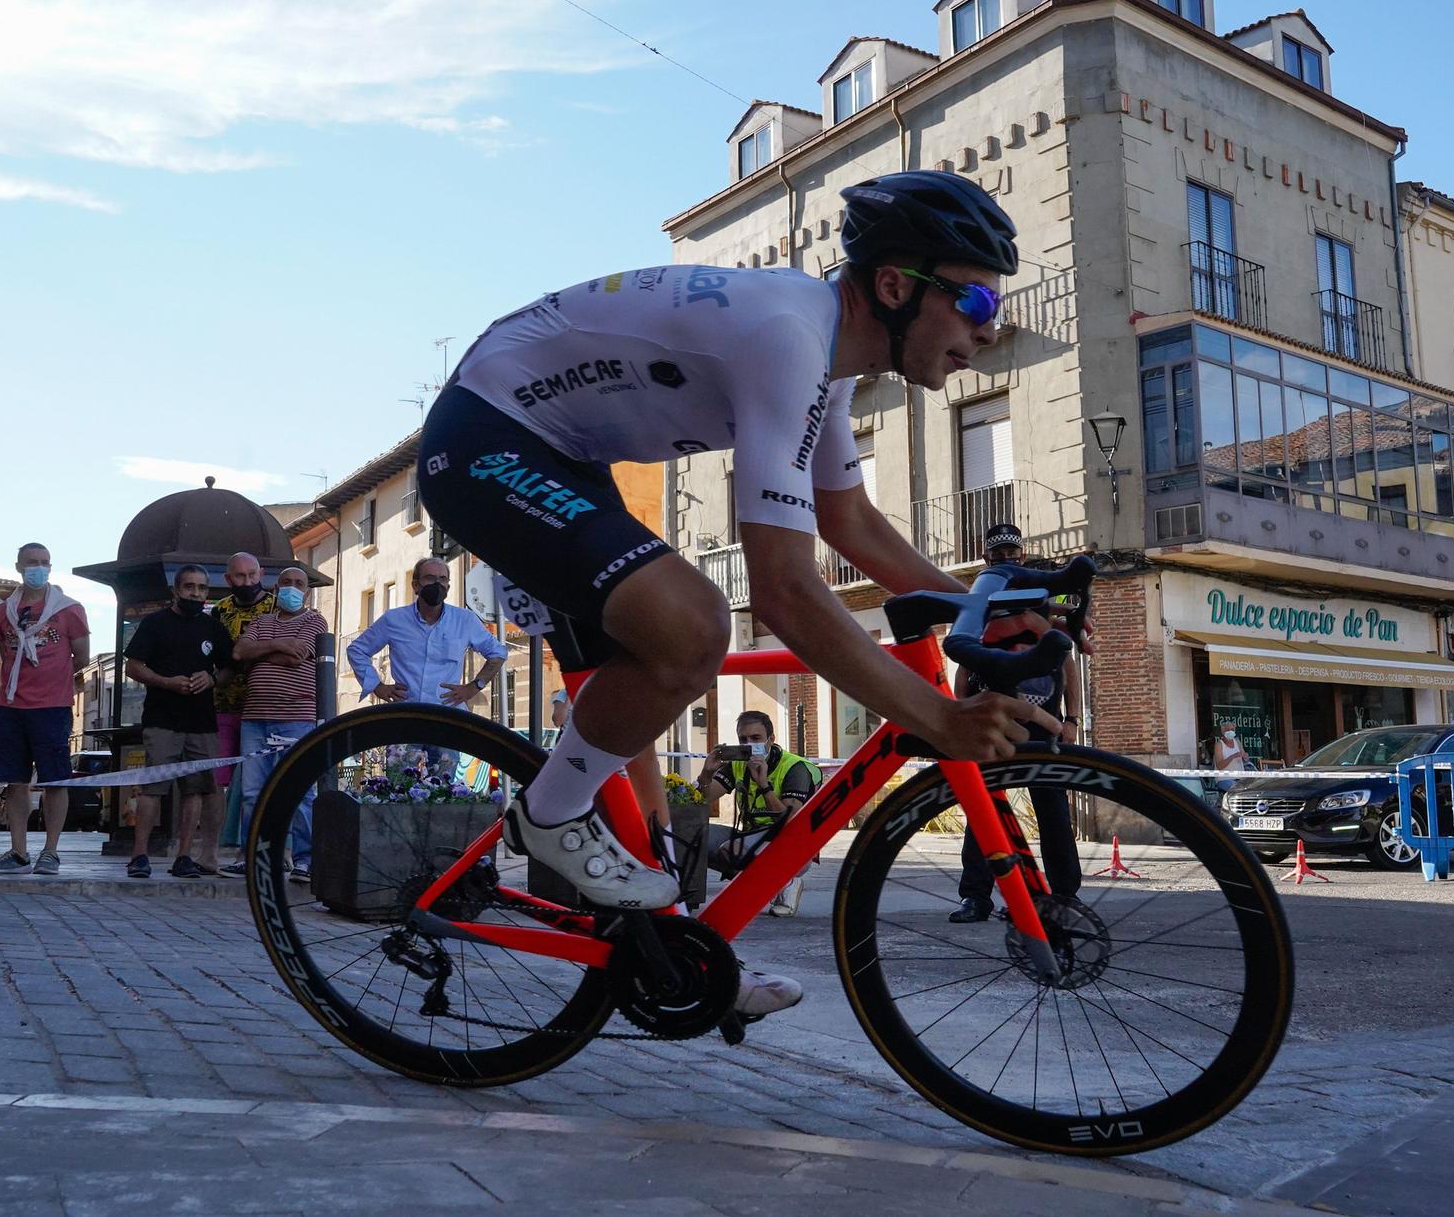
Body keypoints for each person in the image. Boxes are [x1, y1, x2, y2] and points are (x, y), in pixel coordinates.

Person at [419, 169, 1050, 1018]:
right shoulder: (788, 338)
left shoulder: (825, 365)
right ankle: (548, 817)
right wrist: (935, 720)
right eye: (975, 304)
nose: (989, 327)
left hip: (565, 456)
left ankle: (672, 956)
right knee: (692, 629)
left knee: (638, 712)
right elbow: (785, 592)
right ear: (897, 287)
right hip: (487, 435)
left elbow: (850, 522)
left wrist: (986, 608)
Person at [947, 606, 1082, 922]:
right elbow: (964, 670)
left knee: (1053, 809)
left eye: (1013, 552)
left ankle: (1063, 896)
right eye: (1000, 553)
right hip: (994, 723)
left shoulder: (1041, 617)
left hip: (1045, 724)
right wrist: (960, 712)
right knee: (984, 808)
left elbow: (1069, 667)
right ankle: (975, 897)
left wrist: (1072, 719)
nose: (1009, 556)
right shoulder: (983, 618)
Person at [0, 543, 90, 876]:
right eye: (32, 563)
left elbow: (81, 658)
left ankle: (51, 852)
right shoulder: (4, 612)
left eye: (44, 563)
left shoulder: (70, 610)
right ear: (19, 567)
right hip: (12, 706)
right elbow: (5, 653)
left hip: (52, 707)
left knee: (55, 780)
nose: (38, 568)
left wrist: (53, 680)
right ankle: (18, 852)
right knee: (14, 781)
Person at [347, 555, 509, 779]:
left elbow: (498, 653)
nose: (437, 584)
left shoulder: (465, 620)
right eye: (430, 578)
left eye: (443, 579)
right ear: (415, 585)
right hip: (405, 716)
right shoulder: (394, 620)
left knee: (443, 789)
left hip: (446, 717)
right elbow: (357, 650)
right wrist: (377, 686)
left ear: (449, 586)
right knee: (399, 787)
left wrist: (474, 686)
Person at [123, 565, 234, 879]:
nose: (195, 593)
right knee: (152, 789)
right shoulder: (155, 624)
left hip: (202, 724)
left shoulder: (213, 627)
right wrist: (166, 681)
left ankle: (184, 856)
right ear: (175, 590)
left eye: (201, 588)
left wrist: (211, 678)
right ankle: (139, 856)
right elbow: (133, 666)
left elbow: (228, 670)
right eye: (189, 587)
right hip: (161, 720)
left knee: (196, 791)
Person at [223, 566, 330, 885]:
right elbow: (240, 651)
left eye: (299, 583)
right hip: (255, 717)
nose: (293, 588)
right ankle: (253, 856)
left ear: (307, 591)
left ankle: (304, 859)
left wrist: (263, 651)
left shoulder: (314, 620)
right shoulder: (261, 621)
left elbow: (298, 657)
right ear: (276, 587)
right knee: (252, 792)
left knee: (297, 790)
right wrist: (281, 645)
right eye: (287, 583)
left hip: (296, 717)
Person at [697, 711, 821, 917]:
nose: (749, 743)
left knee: (732, 849)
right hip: (752, 836)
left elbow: (791, 820)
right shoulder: (738, 763)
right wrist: (706, 774)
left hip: (793, 843)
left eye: (756, 738)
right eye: (743, 739)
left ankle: (784, 880)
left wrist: (763, 784)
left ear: (771, 739)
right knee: (696, 837)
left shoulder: (794, 767)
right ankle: (779, 884)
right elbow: (703, 798)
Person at [213, 552, 282, 869]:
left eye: (252, 575)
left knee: (266, 783)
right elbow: (223, 658)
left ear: (262, 573)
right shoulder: (220, 610)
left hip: (268, 707)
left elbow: (290, 652)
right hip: (225, 705)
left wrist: (252, 651)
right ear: (228, 579)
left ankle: (275, 852)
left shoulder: (277, 607)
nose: (247, 582)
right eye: (239, 576)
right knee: (219, 781)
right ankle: (216, 851)